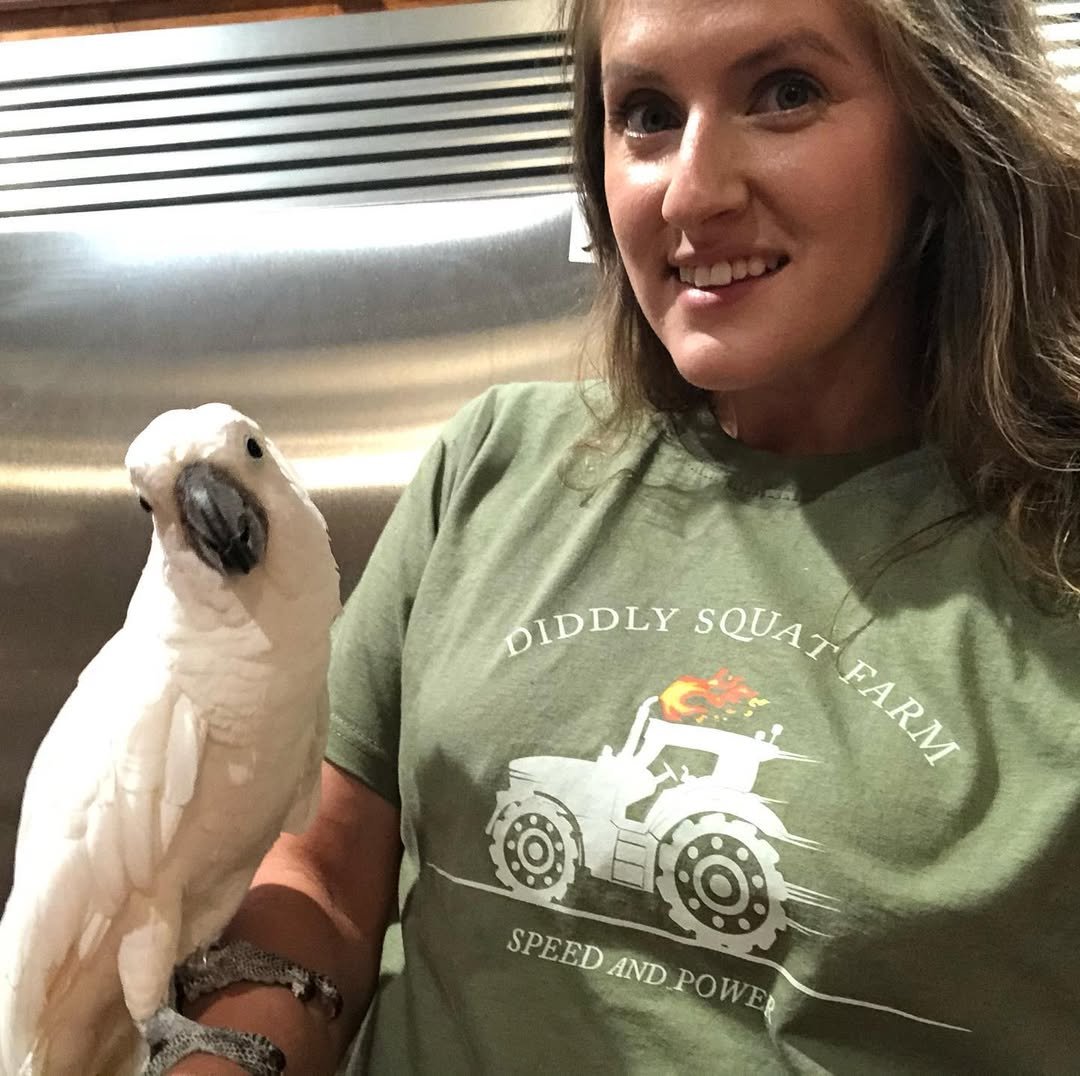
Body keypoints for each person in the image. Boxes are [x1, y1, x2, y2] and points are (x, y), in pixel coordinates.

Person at [174, 0, 1080, 1071]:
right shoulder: (492, 465)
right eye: (645, 113)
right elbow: (322, 873)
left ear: (944, 132)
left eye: (786, 92)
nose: (692, 193)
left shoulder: (1049, 565)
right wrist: (228, 1054)